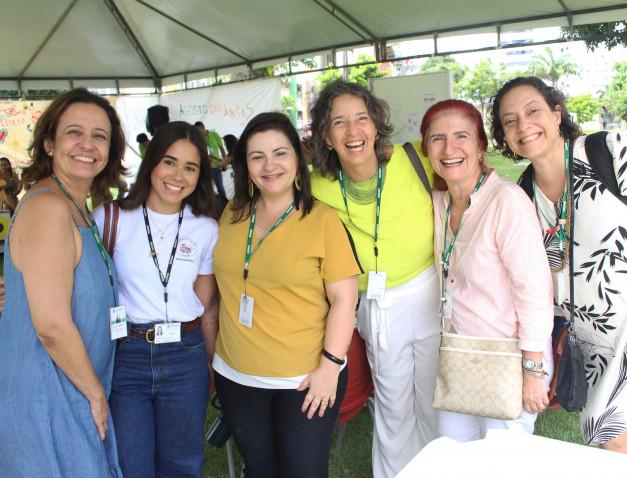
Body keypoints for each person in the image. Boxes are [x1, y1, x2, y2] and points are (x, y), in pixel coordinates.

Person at [491, 76, 627, 478]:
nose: (523, 125)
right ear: (504, 136)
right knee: (612, 457)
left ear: (557, 114)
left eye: (533, 111)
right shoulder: (522, 193)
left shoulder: (607, 151)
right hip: (596, 344)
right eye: (509, 121)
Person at [212, 112, 360, 478]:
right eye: (257, 156)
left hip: (304, 379)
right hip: (237, 375)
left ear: (297, 160)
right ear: (244, 164)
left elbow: (345, 299)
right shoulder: (232, 214)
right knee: (260, 470)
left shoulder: (323, 220)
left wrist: (330, 365)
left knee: (303, 471)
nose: (269, 165)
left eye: (279, 153)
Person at [310, 80, 439, 478]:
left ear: (376, 124)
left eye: (361, 119)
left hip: (429, 289)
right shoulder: (315, 186)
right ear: (326, 137)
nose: (353, 132)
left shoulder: (415, 158)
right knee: (392, 402)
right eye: (339, 123)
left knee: (436, 400)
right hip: (373, 302)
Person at [0, 88, 126, 477]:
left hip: (72, 385)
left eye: (100, 136)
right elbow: (52, 326)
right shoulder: (49, 208)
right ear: (50, 144)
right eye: (75, 132)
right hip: (49, 393)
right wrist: (95, 395)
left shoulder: (77, 207)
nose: (87, 144)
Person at [420, 99, 554, 440]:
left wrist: (533, 371)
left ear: (480, 147)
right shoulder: (441, 202)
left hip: (508, 357)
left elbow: (534, 291)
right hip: (459, 354)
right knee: (454, 455)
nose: (449, 148)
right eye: (437, 139)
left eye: (461, 136)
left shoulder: (505, 201)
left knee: (503, 462)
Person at [94, 121, 220, 478]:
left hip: (185, 355)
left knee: (183, 463)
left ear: (200, 175)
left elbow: (208, 307)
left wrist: (214, 366)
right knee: (132, 464)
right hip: (127, 354)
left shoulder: (206, 228)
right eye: (169, 161)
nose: (177, 175)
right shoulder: (109, 218)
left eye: (190, 167)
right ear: (151, 162)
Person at [195, 121, 228, 203]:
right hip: (204, 167)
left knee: (220, 187)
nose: (199, 133)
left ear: (203, 127)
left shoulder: (214, 135)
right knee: (205, 188)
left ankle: (224, 204)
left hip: (216, 166)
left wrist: (225, 162)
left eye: (199, 131)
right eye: (197, 132)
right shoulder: (198, 139)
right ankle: (209, 204)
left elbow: (222, 149)